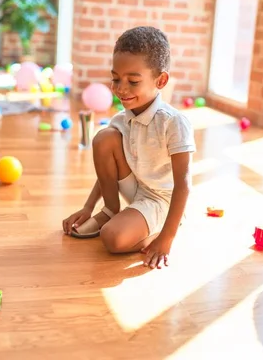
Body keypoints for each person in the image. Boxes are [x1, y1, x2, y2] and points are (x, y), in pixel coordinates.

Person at [61, 26, 196, 270]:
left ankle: (159, 228)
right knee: (104, 138)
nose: (120, 88)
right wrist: (88, 207)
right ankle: (111, 211)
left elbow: (183, 184)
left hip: (160, 200)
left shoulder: (174, 122)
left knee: (112, 238)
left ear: (161, 80)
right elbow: (107, 172)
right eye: (115, 79)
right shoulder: (122, 119)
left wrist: (167, 239)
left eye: (133, 81)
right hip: (136, 188)